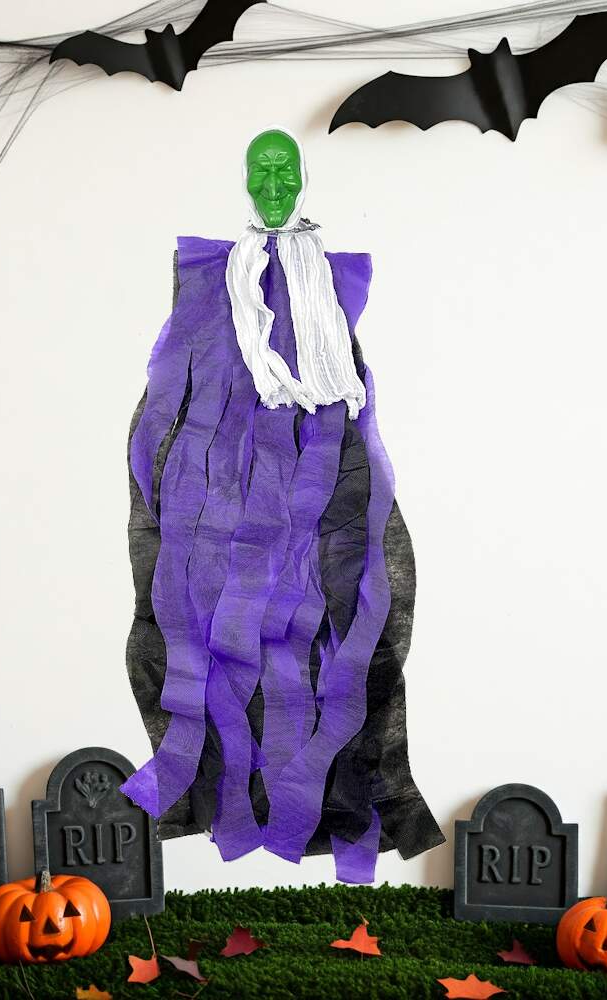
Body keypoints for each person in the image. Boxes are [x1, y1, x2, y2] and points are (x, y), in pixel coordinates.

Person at [121, 128, 442, 883]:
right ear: (244, 180)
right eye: (259, 172)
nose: (272, 186)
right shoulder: (216, 282)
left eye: (283, 172)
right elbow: (171, 407)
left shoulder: (326, 288)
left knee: (346, 613)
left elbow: (348, 400)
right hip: (223, 490)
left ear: (301, 180)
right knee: (202, 620)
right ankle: (214, 792)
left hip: (323, 470)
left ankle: (332, 801)